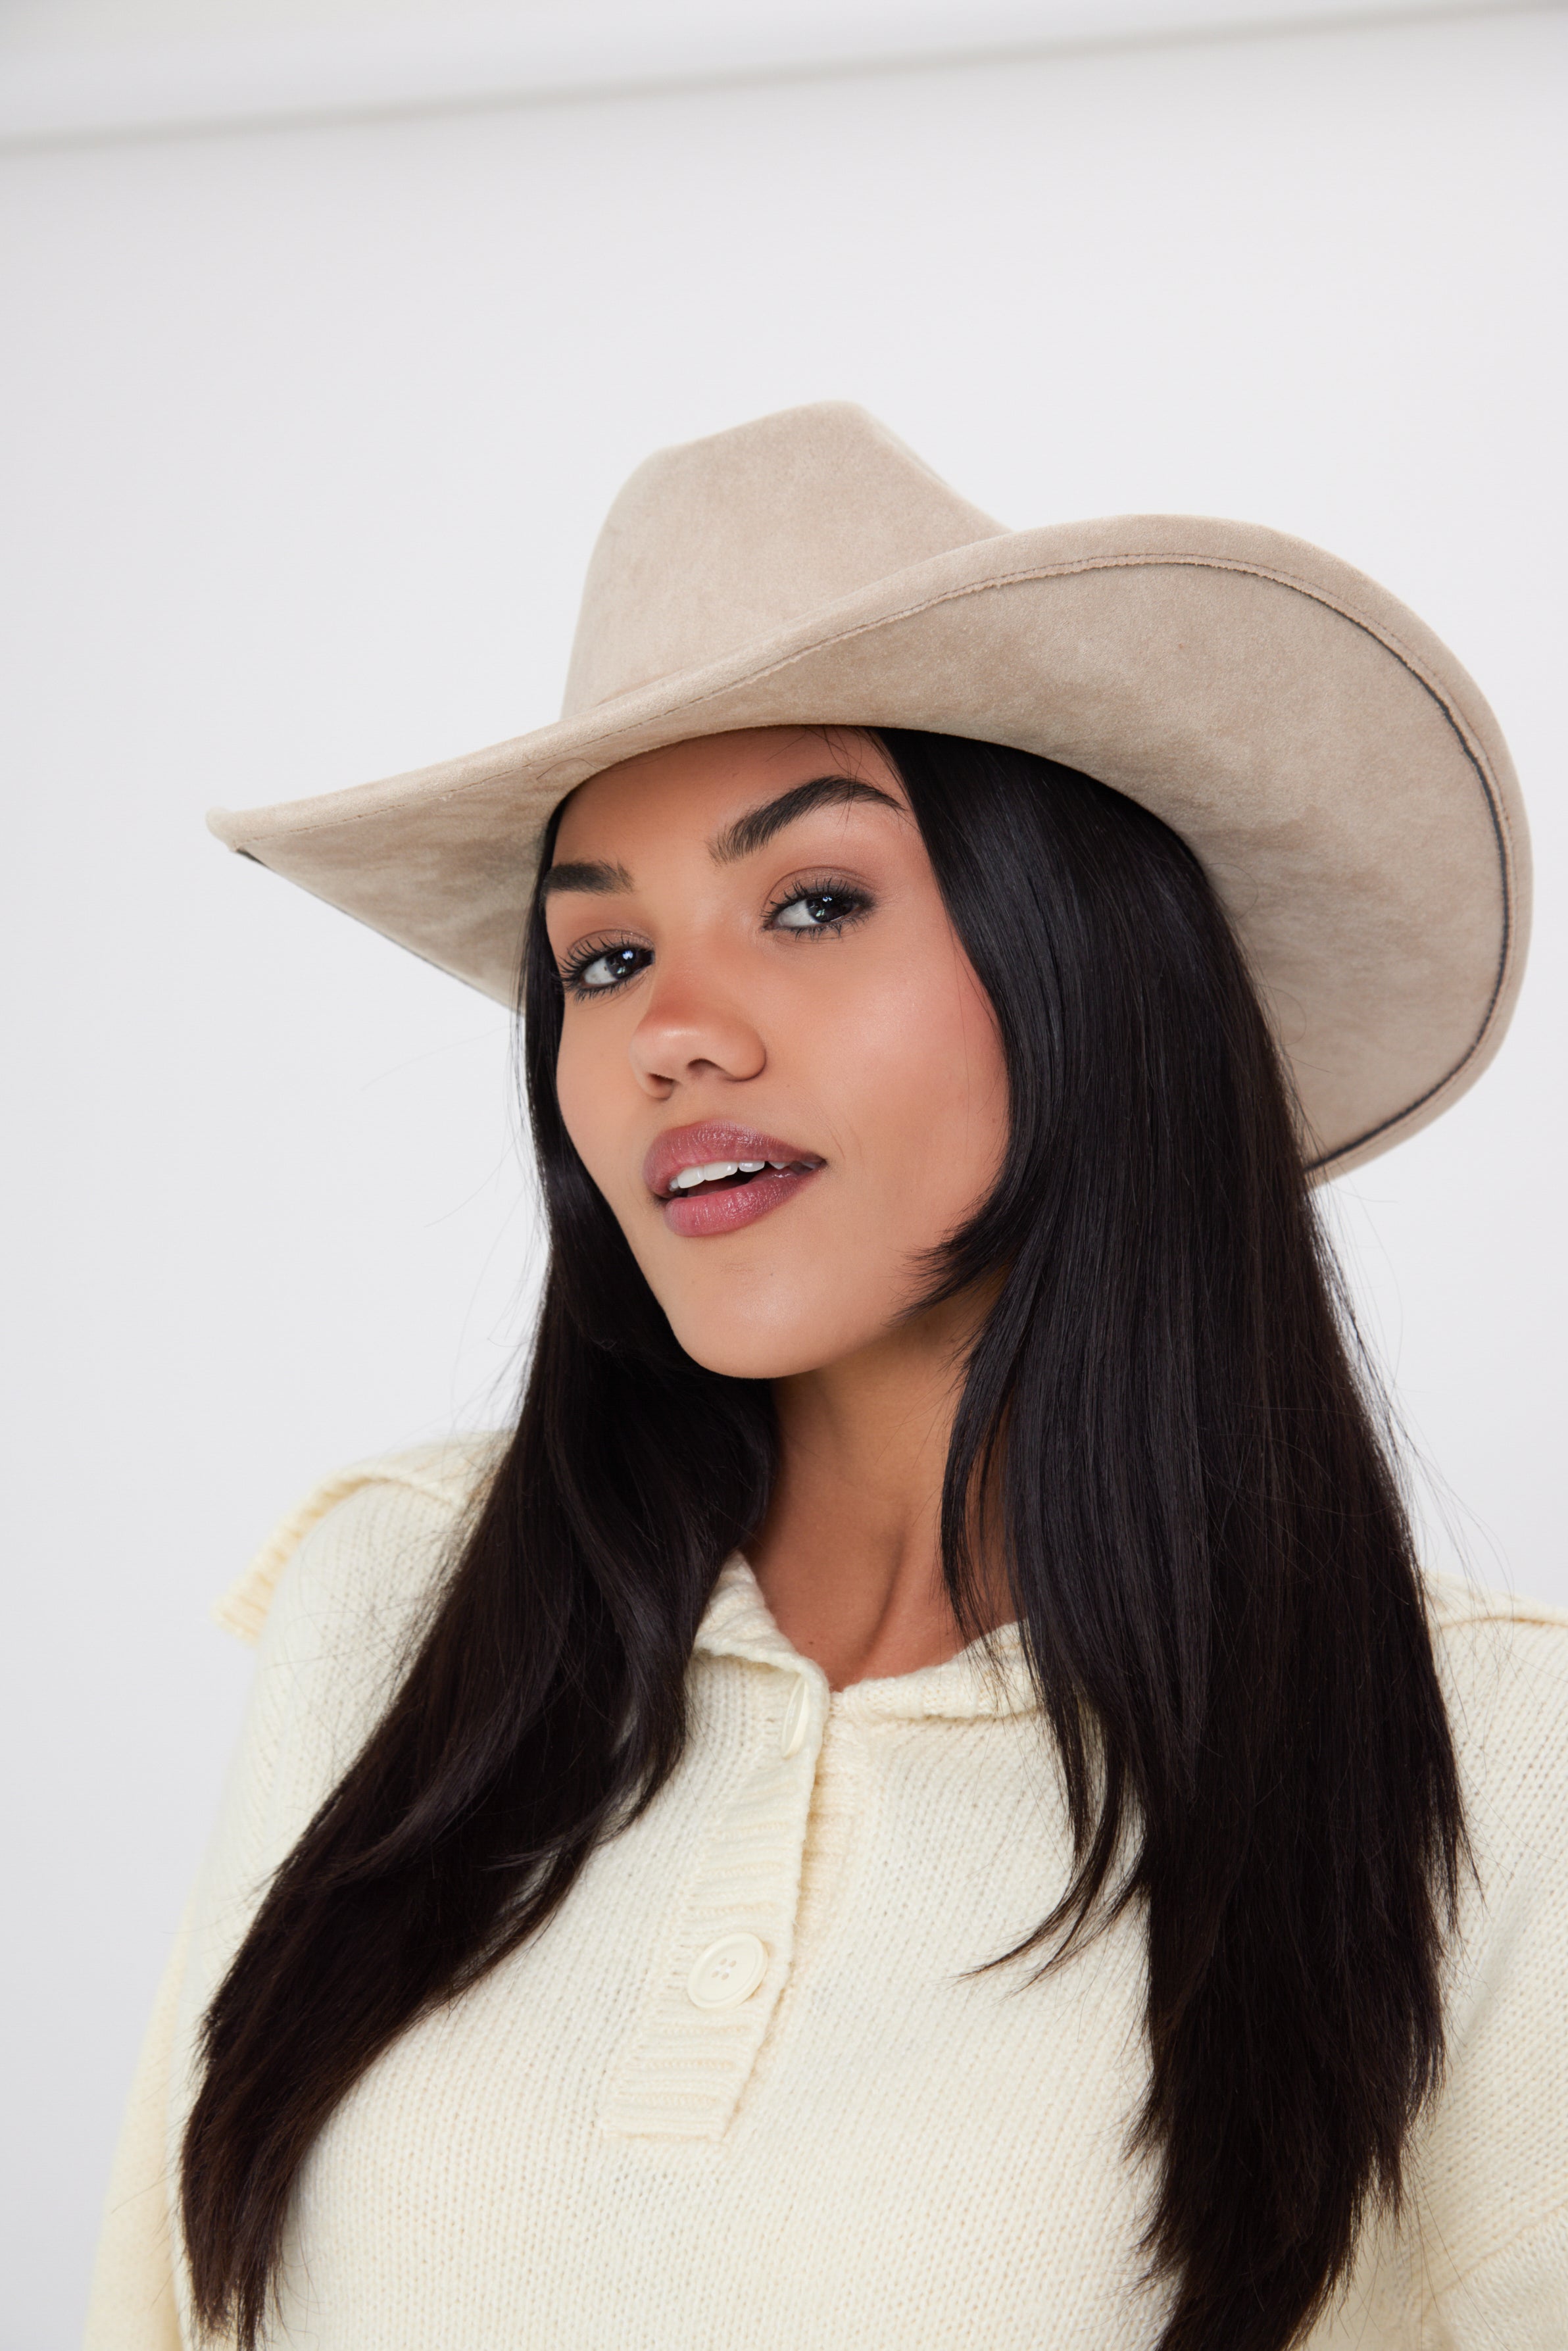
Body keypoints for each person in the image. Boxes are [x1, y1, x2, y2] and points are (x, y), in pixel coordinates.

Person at [86, 406, 1566, 2351]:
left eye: (810, 904)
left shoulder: (1493, 1764)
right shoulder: (389, 1606)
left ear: (1089, 968)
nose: (670, 1036)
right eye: (601, 960)